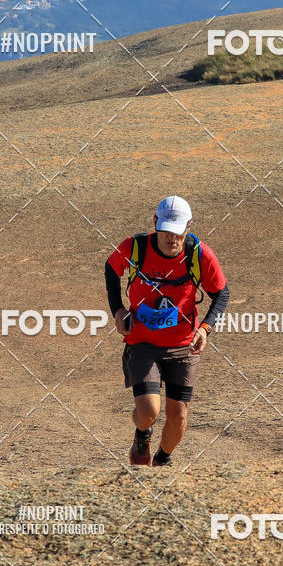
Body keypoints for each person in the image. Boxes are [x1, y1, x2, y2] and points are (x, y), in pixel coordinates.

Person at [105, 196, 229, 467]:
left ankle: (162, 460)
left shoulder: (199, 254)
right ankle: (142, 433)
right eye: (166, 231)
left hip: (183, 346)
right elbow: (111, 268)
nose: (172, 238)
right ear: (155, 224)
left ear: (189, 227)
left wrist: (205, 329)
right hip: (142, 342)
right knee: (149, 411)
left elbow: (221, 293)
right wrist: (117, 310)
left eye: (178, 232)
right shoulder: (135, 247)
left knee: (178, 417)